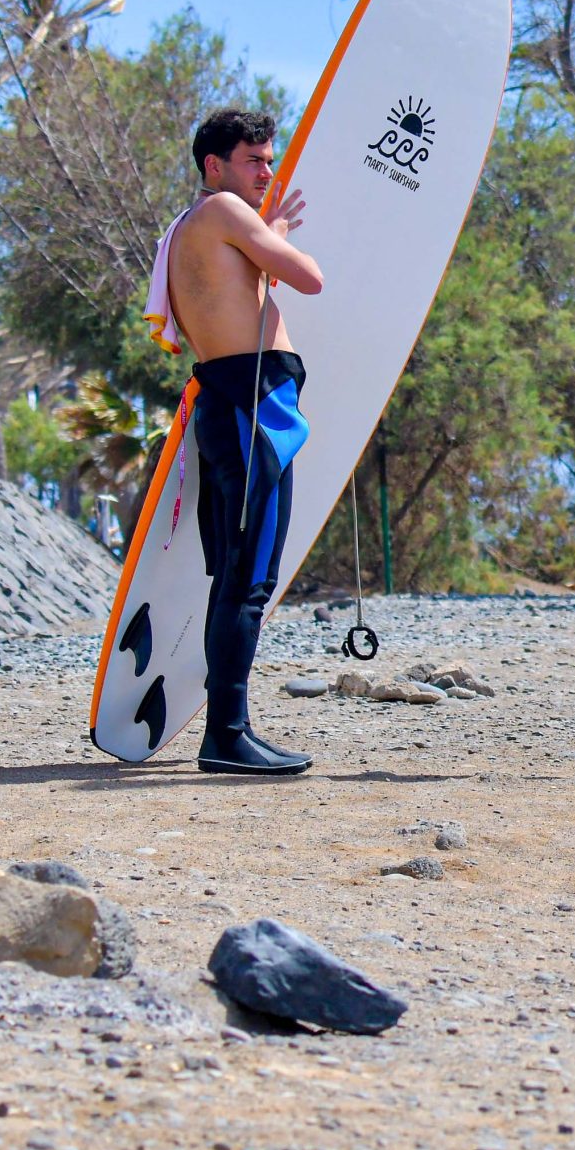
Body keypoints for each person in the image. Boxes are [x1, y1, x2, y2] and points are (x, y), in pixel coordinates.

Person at [146, 108, 323, 776]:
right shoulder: (223, 211)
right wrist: (272, 237)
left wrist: (261, 237)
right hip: (254, 411)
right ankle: (227, 733)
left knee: (236, 576)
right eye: (254, 161)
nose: (267, 173)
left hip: (228, 405)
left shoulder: (190, 229)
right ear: (213, 166)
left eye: (270, 160)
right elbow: (309, 276)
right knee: (249, 580)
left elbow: (235, 295)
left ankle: (232, 727)